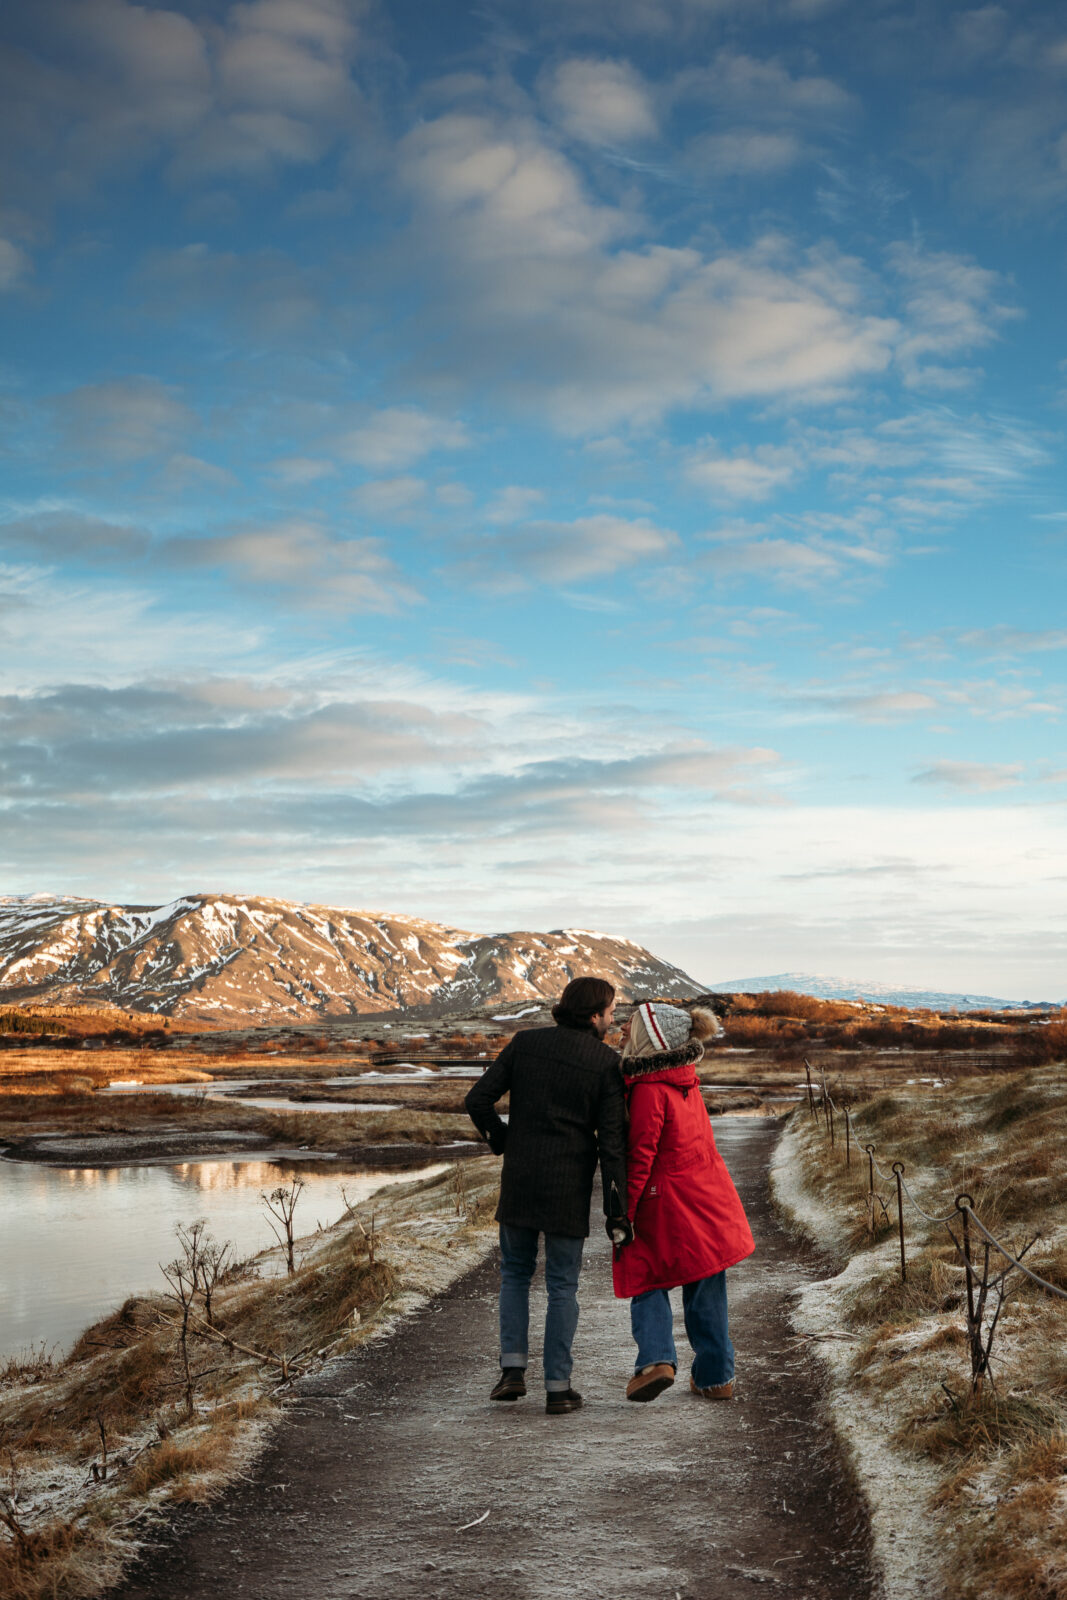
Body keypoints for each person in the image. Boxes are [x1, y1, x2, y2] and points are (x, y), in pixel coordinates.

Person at [464, 975, 629, 1416]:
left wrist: (503, 1141)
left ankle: (512, 1370)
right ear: (594, 1014)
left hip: (520, 1180)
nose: (614, 1020)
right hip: (568, 1188)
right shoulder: (606, 1063)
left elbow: (477, 1100)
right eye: (611, 1012)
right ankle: (558, 1387)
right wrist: (618, 1212)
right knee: (562, 1286)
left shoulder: (526, 1043)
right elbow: (612, 1148)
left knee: (515, 1275)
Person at [612, 1001, 754, 1403]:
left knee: (644, 1271)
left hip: (667, 1201)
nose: (623, 1029)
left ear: (650, 1038)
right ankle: (716, 1378)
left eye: (632, 1025)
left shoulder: (649, 1090)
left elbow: (641, 1156)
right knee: (706, 1278)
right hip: (709, 1197)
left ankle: (656, 1361)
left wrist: (627, 1213)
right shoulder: (685, 1080)